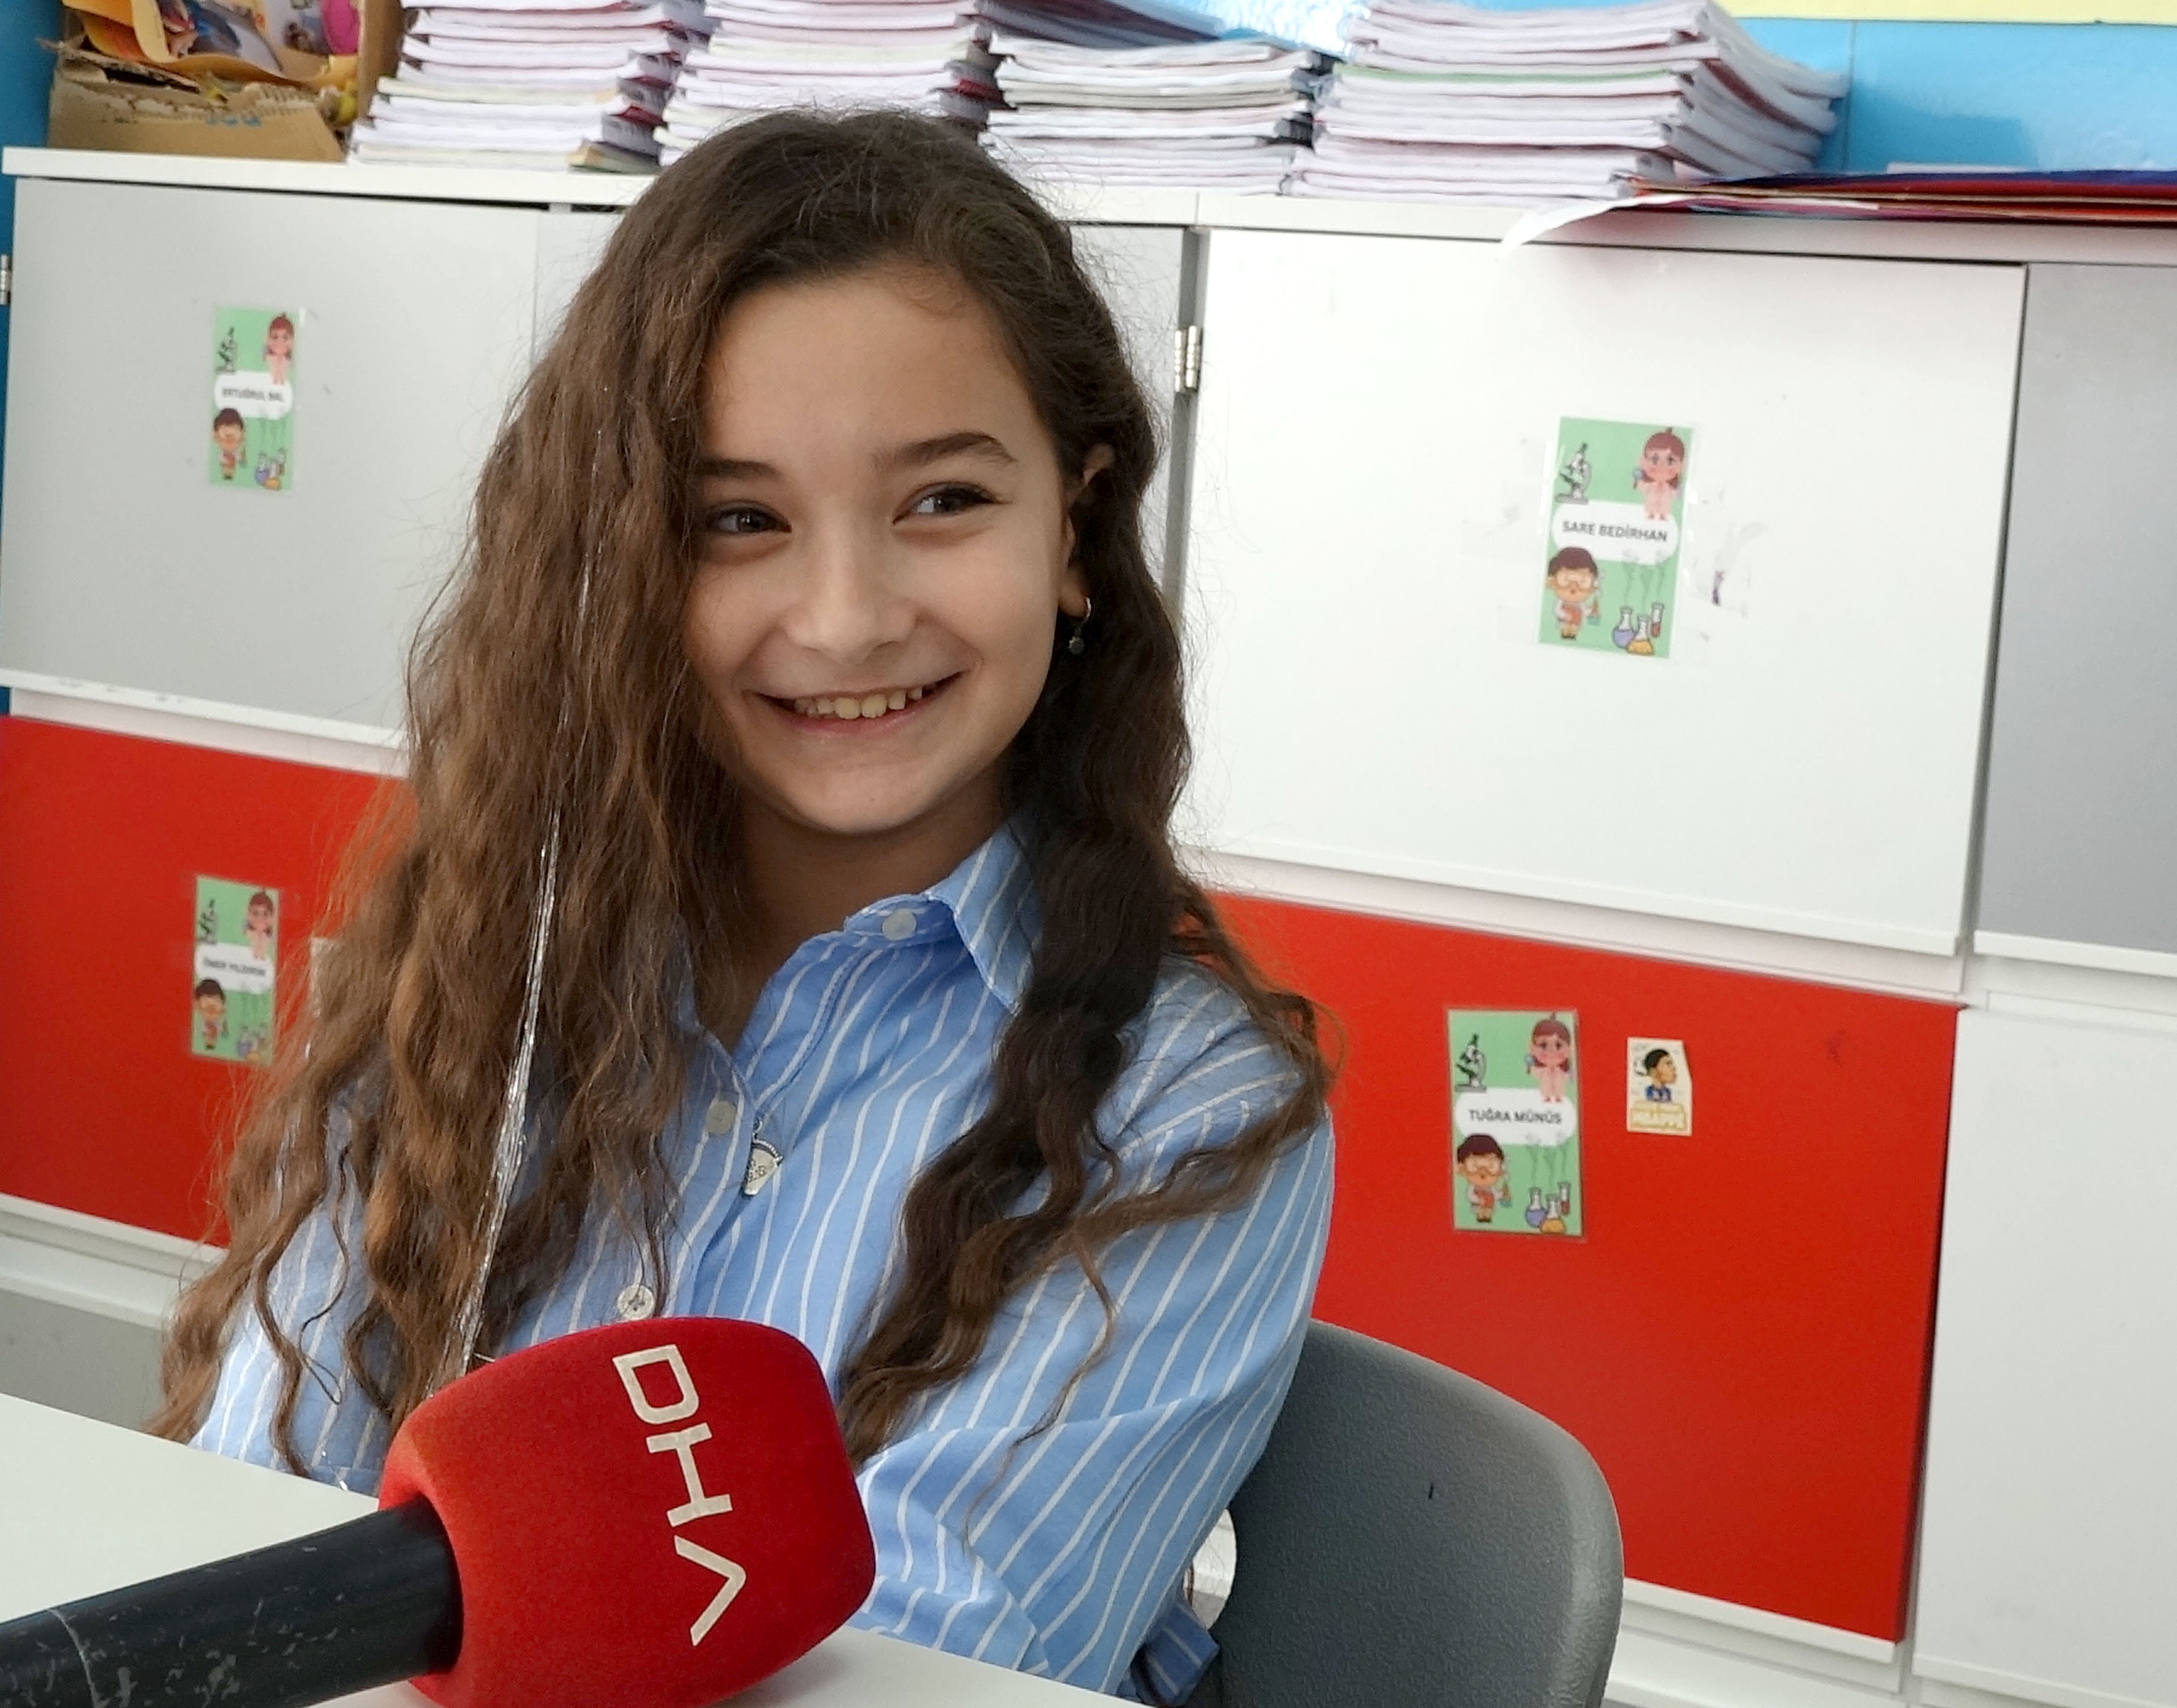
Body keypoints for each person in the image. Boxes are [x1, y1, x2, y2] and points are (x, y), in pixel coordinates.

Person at [151, 112, 1334, 1705]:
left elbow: (918, 1670)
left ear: (1075, 524)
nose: (845, 619)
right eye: (738, 520)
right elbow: (259, 1532)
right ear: (620, 565)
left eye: (944, 500)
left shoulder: (1183, 1106)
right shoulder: (476, 969)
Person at [1544, 547, 1599, 640]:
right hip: (1565, 620)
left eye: (1582, 582)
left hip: (1576, 621)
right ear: (1552, 582)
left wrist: (1592, 611)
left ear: (1593, 586)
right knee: (1565, 627)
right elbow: (1557, 610)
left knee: (1574, 627)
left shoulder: (1580, 603)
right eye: (1566, 580)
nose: (1573, 587)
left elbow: (1584, 611)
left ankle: (1573, 634)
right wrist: (1565, 616)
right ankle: (1565, 633)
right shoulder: (1561, 602)